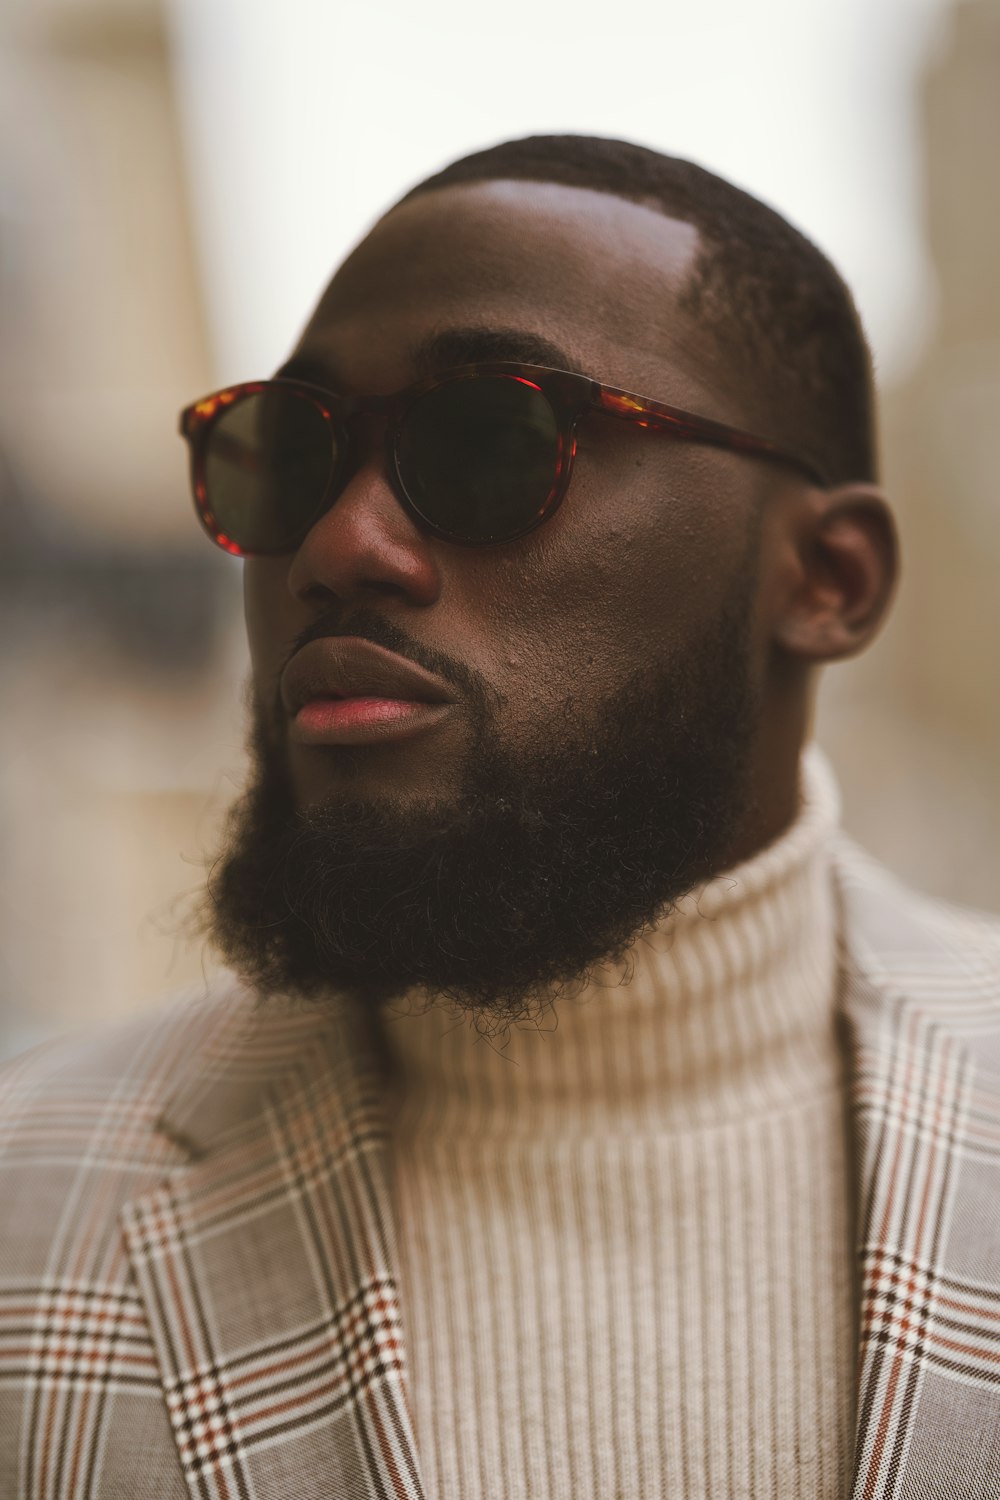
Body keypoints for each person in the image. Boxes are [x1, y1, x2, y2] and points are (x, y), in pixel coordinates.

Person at [0, 135, 997, 1500]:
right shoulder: (23, 1196)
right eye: (288, 453)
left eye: (491, 437)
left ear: (826, 577)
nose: (343, 546)